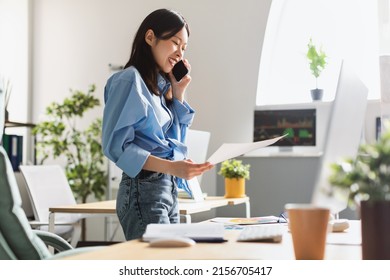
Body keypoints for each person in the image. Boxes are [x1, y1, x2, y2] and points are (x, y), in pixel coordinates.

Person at [102, 8, 213, 240]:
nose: (180, 54)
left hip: (166, 187)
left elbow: (175, 144)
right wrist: (172, 168)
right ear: (150, 37)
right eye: (175, 43)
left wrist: (178, 93)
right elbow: (116, 147)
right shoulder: (128, 81)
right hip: (142, 190)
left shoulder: (160, 90)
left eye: (184, 49)